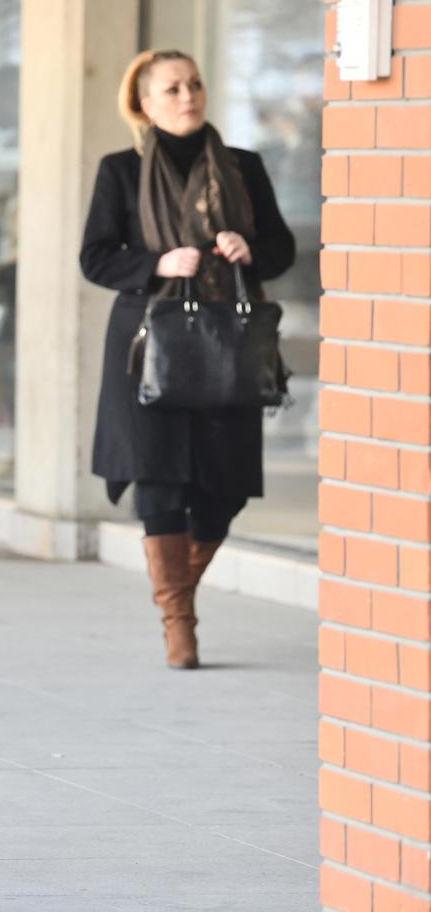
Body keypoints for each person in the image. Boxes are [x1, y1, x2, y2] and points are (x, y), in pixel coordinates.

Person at [81, 48, 295, 670]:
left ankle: (180, 591)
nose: (187, 96)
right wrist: (156, 264)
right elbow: (95, 257)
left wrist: (248, 249)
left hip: (228, 345)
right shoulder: (120, 170)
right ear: (145, 104)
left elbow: (283, 249)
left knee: (224, 489)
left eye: (195, 84)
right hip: (148, 348)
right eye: (172, 88)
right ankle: (180, 623)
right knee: (160, 482)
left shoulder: (244, 167)